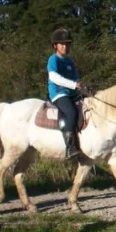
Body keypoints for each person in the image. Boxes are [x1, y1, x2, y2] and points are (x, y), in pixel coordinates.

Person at [47, 27, 85, 160]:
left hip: (71, 93)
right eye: (62, 44)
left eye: (68, 44)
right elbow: (54, 78)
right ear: (55, 46)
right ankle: (70, 147)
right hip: (58, 93)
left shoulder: (69, 61)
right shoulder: (53, 60)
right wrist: (74, 85)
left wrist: (82, 86)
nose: (65, 47)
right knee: (72, 113)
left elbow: (76, 78)